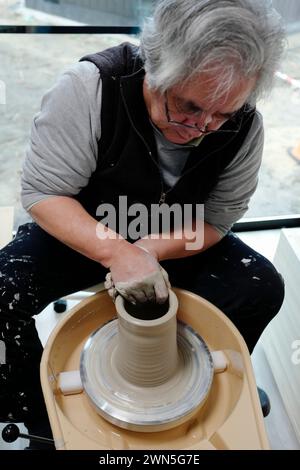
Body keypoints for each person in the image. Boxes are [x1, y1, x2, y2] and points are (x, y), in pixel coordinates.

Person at [0, 0, 285, 445]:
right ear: (156, 68)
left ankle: (204, 382)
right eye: (189, 107)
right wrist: (117, 251)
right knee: (2, 291)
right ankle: (41, 415)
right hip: (83, 228)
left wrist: (151, 250)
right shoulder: (91, 87)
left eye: (222, 113)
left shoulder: (244, 124)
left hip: (172, 233)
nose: (203, 127)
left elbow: (219, 216)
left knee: (260, 286)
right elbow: (45, 193)